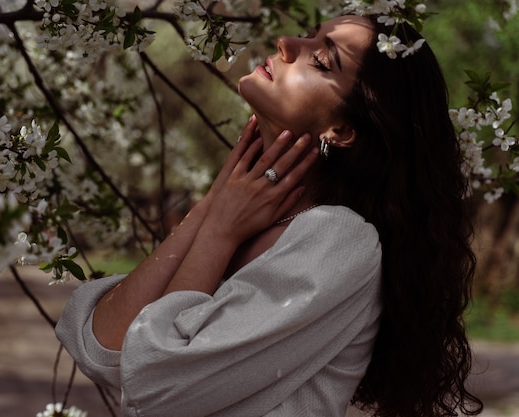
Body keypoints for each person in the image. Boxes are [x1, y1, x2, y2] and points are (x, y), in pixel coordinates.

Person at [56, 14, 483, 417]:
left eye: (320, 59)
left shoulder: (338, 239)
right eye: (309, 33)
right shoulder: (247, 217)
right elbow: (97, 346)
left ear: (344, 131)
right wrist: (212, 208)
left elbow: (153, 386)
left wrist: (217, 233)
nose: (286, 43)